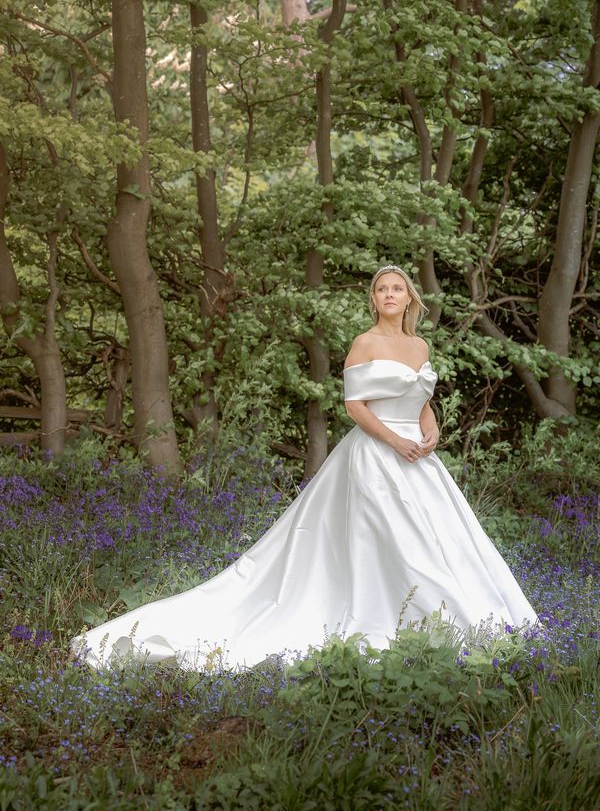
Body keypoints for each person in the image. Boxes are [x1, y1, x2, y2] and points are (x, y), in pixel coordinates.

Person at [72, 265, 538, 671]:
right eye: (381, 289)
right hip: (377, 454)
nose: (389, 295)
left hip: (420, 457)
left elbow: (421, 401)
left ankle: (450, 622)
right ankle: (402, 619)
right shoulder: (365, 343)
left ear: (410, 298)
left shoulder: (419, 346)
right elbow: (355, 406)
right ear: (374, 299)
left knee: (440, 538)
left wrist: (430, 432)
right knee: (391, 538)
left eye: (397, 288)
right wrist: (396, 441)